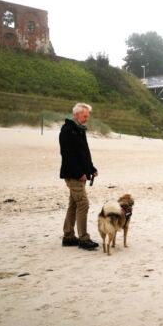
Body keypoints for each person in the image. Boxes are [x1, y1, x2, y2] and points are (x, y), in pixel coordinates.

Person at [59, 103, 99, 250]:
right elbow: (67, 155)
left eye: (88, 116)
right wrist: (79, 173)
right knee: (83, 204)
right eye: (84, 116)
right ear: (76, 114)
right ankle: (83, 239)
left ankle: (68, 236)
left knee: (74, 204)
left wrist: (91, 168)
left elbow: (84, 153)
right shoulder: (67, 130)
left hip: (80, 174)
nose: (87, 118)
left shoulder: (79, 129)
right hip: (73, 175)